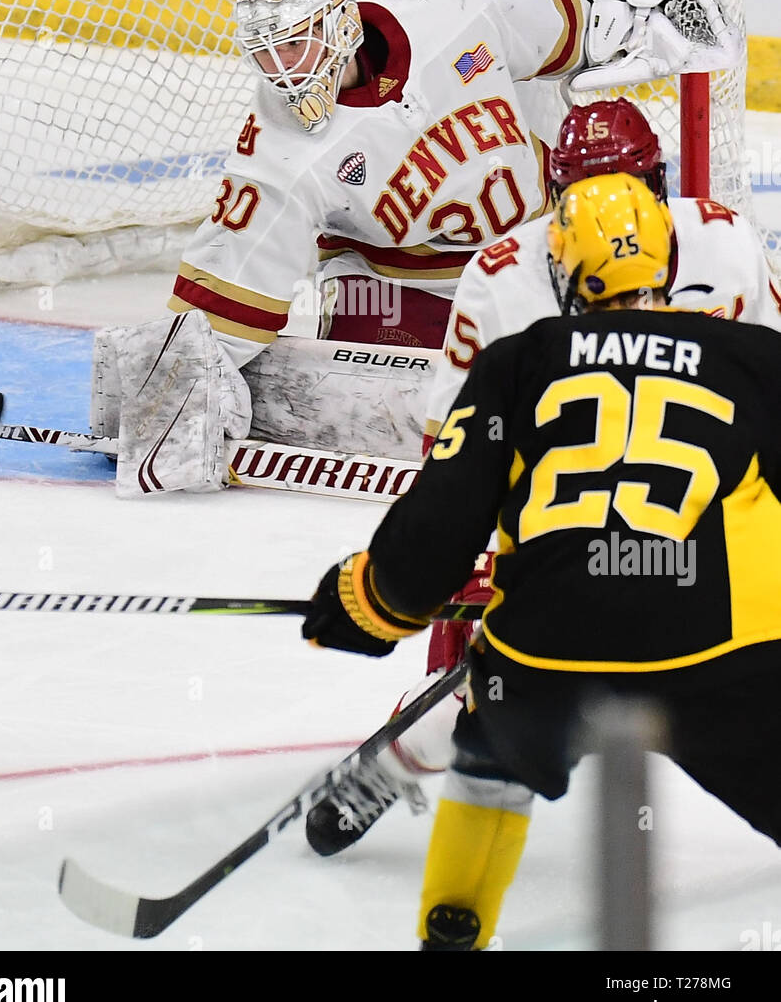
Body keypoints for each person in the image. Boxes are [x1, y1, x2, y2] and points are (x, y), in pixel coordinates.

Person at [301, 172, 781, 950]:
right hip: (715, 647)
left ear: (563, 271)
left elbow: (444, 512)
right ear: (664, 265)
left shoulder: (519, 361)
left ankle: (451, 924)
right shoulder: (753, 357)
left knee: (489, 752)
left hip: (546, 642)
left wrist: (370, 600)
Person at [167, 0, 741, 368]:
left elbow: (562, 27)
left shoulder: (440, 0)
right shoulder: (276, 150)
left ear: (340, 23)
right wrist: (182, 379)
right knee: (408, 387)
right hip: (403, 288)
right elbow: (222, 304)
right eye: (265, 54)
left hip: (545, 238)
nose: (281, 69)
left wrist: (637, 27)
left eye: (291, 45)